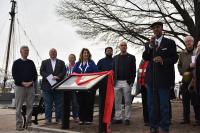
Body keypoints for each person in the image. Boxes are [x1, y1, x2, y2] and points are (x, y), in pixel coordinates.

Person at [142, 22, 178, 133]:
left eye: (158, 27)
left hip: (164, 80)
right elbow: (145, 57)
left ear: (162, 29)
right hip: (151, 80)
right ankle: (153, 126)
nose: (156, 29)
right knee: (151, 105)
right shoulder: (149, 43)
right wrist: (150, 47)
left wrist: (163, 60)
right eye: (154, 28)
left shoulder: (170, 42)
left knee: (164, 106)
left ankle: (164, 127)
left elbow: (174, 58)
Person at [12, 45, 37, 131]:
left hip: (30, 87)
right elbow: (15, 75)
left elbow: (35, 75)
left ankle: (28, 124)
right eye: (25, 50)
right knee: (18, 107)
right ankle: (19, 125)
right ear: (21, 52)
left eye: (27, 50)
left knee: (30, 106)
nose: (26, 52)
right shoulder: (16, 63)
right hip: (19, 87)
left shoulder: (31, 62)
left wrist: (30, 82)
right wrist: (22, 83)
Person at [112, 41, 136, 125]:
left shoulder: (132, 57)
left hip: (127, 82)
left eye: (124, 45)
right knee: (117, 101)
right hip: (117, 82)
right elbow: (113, 70)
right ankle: (118, 117)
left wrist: (132, 81)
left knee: (128, 101)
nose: (123, 47)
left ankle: (127, 118)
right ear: (119, 47)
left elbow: (134, 70)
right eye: (121, 45)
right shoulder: (115, 58)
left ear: (126, 47)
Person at [40, 48, 66, 124]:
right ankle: (48, 119)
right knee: (48, 104)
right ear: (49, 53)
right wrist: (50, 77)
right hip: (47, 86)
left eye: (55, 52)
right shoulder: (44, 62)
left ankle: (59, 119)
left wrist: (58, 76)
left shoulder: (61, 62)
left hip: (58, 85)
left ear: (56, 53)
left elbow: (63, 71)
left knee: (59, 104)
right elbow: (42, 71)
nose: (53, 53)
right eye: (52, 52)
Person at [178, 36, 200, 125]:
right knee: (185, 100)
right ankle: (186, 119)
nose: (188, 43)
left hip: (195, 79)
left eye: (190, 41)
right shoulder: (182, 54)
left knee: (195, 100)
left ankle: (198, 119)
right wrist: (182, 73)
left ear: (193, 42)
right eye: (186, 42)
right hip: (185, 78)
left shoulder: (196, 52)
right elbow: (179, 65)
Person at [73, 48, 98, 125]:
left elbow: (96, 72)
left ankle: (88, 119)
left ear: (89, 54)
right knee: (81, 103)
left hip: (89, 87)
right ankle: (81, 119)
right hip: (79, 87)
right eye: (84, 53)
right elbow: (74, 73)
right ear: (82, 54)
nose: (86, 54)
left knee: (89, 103)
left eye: (87, 53)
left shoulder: (92, 63)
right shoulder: (77, 63)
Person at [97, 47, 114, 131]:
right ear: (105, 52)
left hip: (112, 86)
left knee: (111, 105)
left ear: (112, 52)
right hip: (103, 86)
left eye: (110, 51)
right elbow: (97, 73)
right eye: (107, 50)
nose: (109, 52)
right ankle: (101, 124)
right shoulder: (100, 61)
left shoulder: (115, 61)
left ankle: (109, 122)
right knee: (102, 106)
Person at [66, 54, 79, 122]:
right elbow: (64, 75)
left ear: (75, 59)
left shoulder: (77, 66)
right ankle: (66, 117)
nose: (71, 59)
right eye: (70, 58)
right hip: (67, 86)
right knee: (67, 103)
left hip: (75, 86)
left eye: (72, 58)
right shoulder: (66, 66)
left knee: (75, 103)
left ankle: (75, 116)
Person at [136, 59, 149, 126]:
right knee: (145, 103)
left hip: (150, 85)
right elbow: (139, 73)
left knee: (151, 103)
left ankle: (152, 118)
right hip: (143, 86)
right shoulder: (142, 61)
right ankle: (146, 120)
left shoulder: (153, 60)